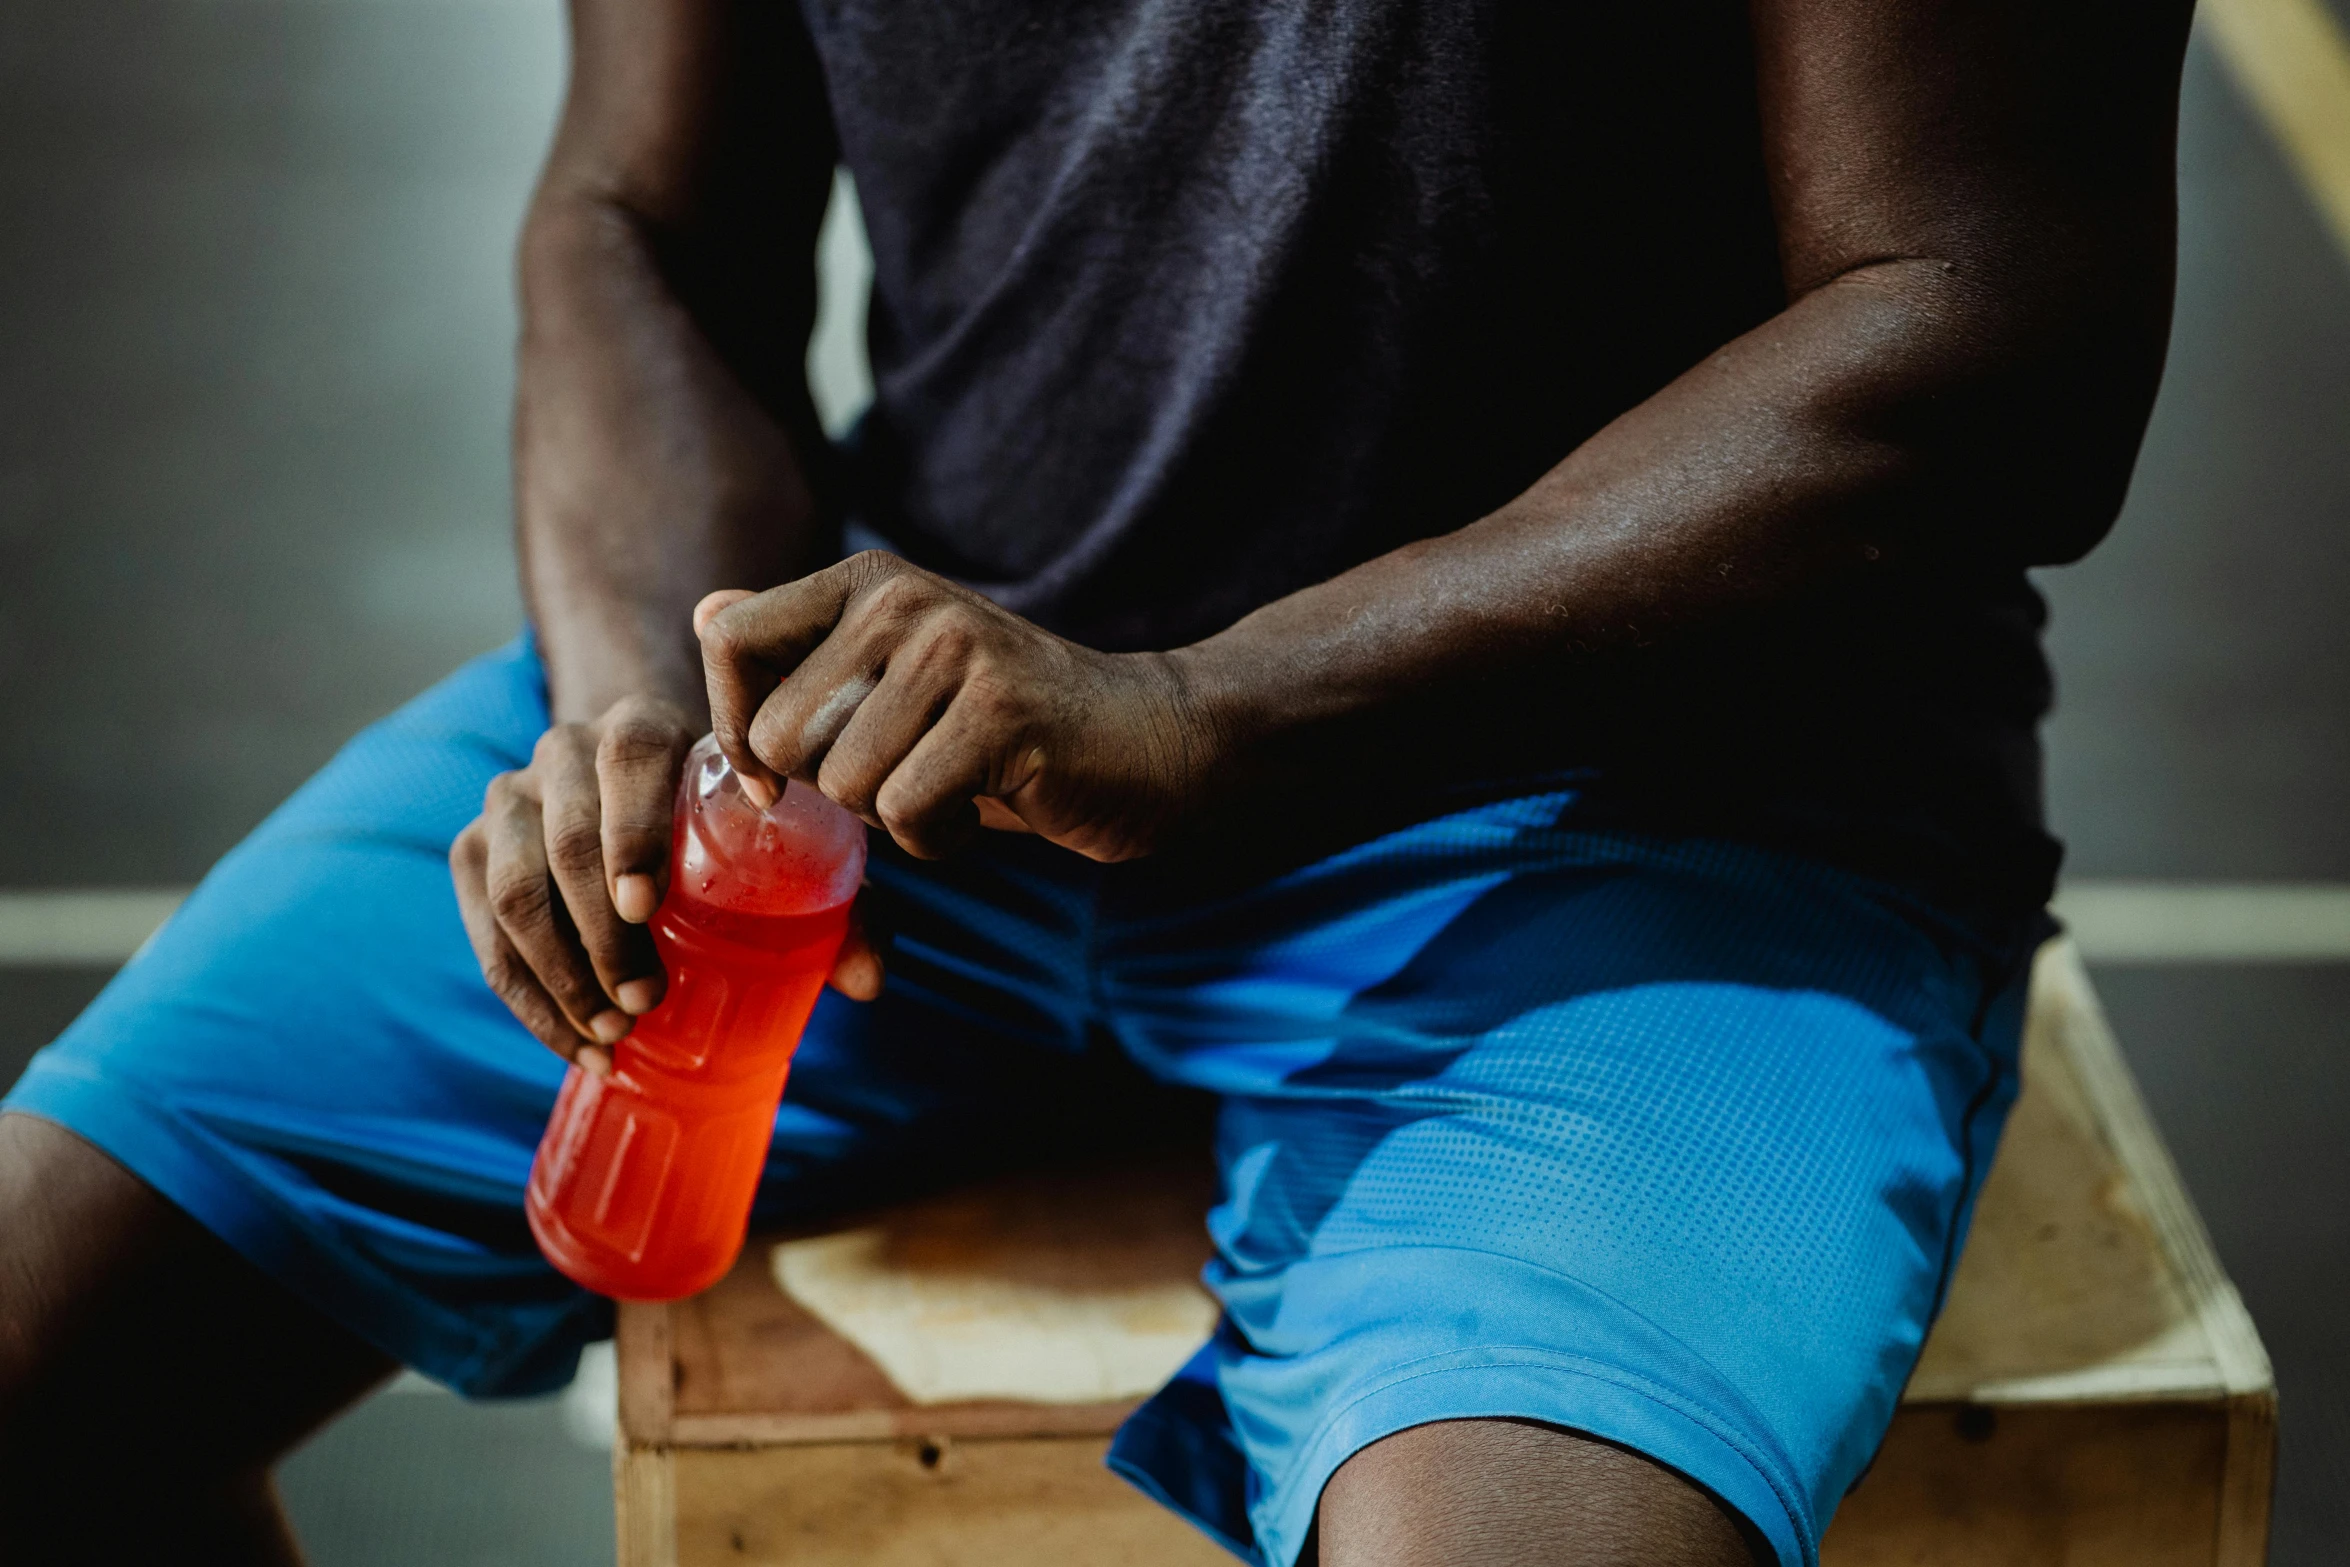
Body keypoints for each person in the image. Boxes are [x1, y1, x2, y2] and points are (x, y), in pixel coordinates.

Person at [0, 0, 2196, 1560]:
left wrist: (1214, 711)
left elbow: (1985, 329)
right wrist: (653, 732)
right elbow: (635, 215)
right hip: (917, 725)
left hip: (1634, 802)